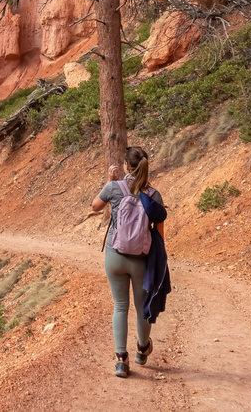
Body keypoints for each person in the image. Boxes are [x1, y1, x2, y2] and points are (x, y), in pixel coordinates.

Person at [87, 146, 165, 378]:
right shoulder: (153, 195)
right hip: (141, 259)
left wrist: (111, 182)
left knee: (120, 306)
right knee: (143, 307)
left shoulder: (114, 187)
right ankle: (142, 349)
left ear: (125, 166)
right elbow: (160, 234)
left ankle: (122, 360)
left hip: (115, 257)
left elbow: (94, 206)